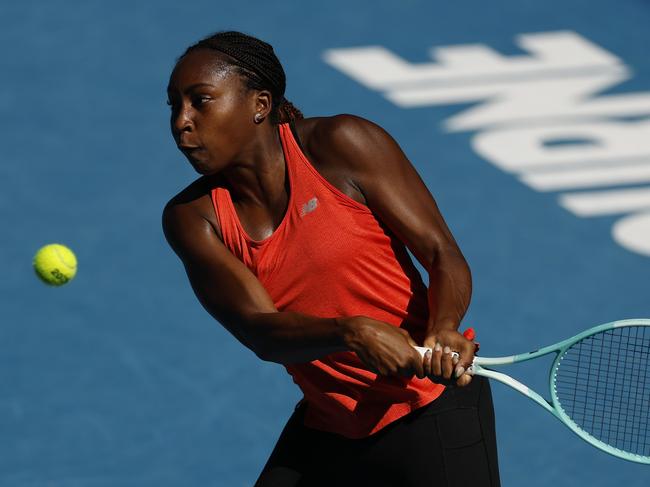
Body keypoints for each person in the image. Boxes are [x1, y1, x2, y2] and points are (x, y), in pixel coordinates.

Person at [162, 30, 500, 487]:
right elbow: (260, 331)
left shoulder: (342, 145)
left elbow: (442, 253)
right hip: (332, 428)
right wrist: (352, 331)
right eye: (174, 105)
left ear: (259, 105)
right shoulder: (194, 219)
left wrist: (443, 327)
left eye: (200, 101)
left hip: (432, 410)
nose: (182, 121)